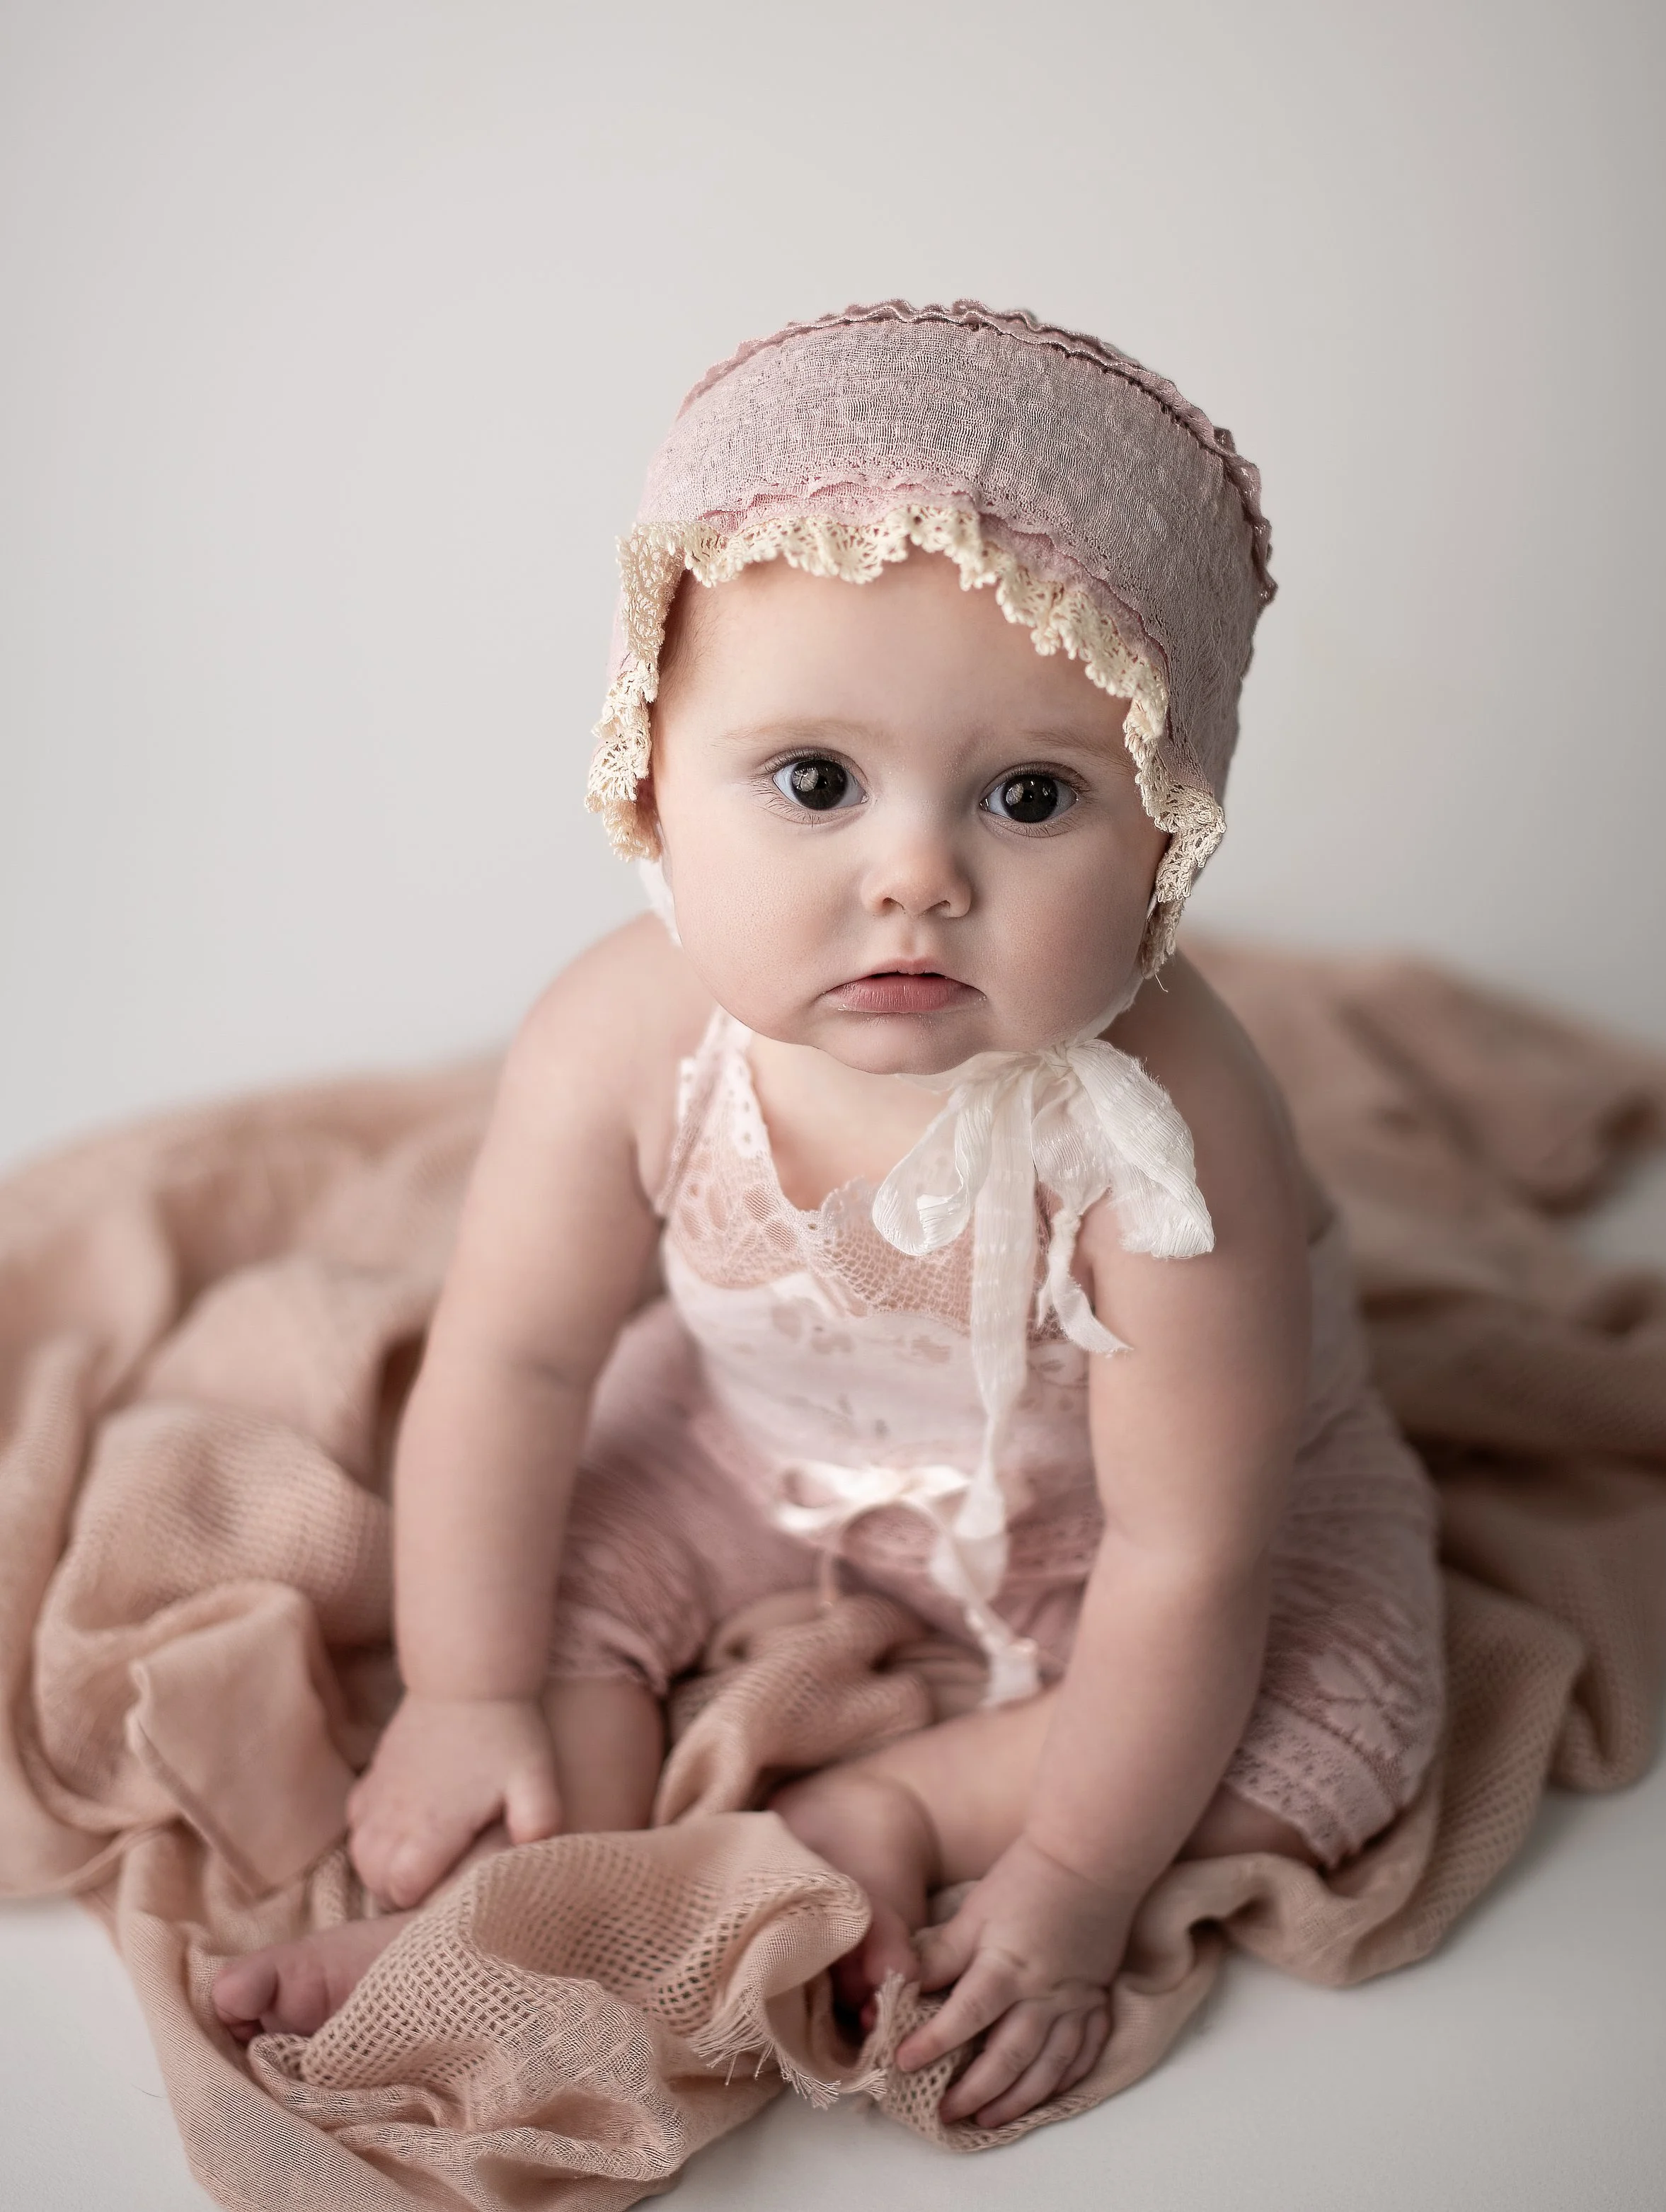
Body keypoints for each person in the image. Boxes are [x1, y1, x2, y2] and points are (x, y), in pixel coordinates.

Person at [212, 302, 1444, 2131]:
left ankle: (891, 1810)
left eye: (1031, 796)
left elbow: (1189, 1558)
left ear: (1169, 823)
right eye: (813, 780)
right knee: (523, 1595)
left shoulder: (1173, 1129)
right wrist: (467, 1689)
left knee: (1334, 1733)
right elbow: (516, 1356)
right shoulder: (623, 1035)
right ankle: (525, 1902)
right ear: (648, 771)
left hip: (1125, 1528)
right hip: (748, 1437)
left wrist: (1071, 1891)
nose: (914, 876)